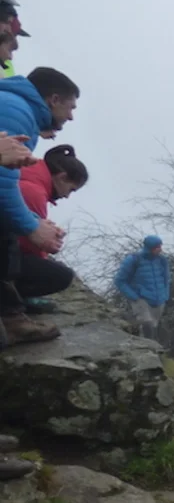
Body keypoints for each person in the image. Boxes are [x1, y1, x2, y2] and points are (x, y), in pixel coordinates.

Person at [0, 67, 80, 347]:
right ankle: (12, 318)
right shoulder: (17, 111)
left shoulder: (16, 107)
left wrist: (33, 221)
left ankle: (11, 316)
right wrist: (33, 227)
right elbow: (3, 184)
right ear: (54, 99)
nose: (71, 116)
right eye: (71, 107)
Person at [15, 145, 87, 311]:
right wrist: (49, 244)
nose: (67, 196)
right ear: (62, 177)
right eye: (71, 189)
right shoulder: (34, 192)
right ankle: (13, 298)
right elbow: (31, 243)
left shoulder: (25, 173)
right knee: (62, 276)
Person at [114, 235, 170, 340]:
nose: (160, 249)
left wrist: (165, 295)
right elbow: (119, 281)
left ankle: (150, 348)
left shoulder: (162, 260)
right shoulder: (133, 260)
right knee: (146, 326)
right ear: (150, 247)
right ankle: (145, 348)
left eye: (160, 246)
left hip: (159, 300)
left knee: (153, 327)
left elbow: (166, 279)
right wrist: (134, 297)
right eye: (157, 247)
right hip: (141, 299)